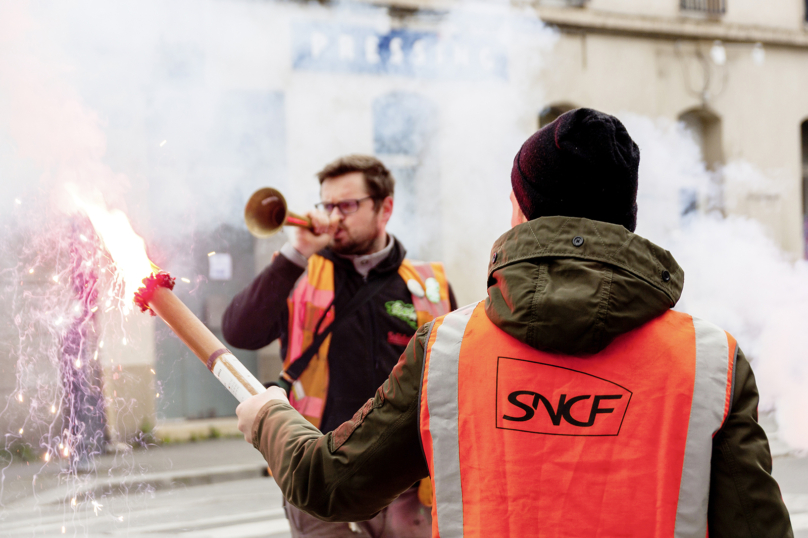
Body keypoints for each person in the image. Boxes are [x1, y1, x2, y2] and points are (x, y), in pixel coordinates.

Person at [235, 109, 793, 537]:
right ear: (627, 216)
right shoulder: (711, 360)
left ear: (523, 210)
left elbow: (330, 484)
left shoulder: (449, 347)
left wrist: (268, 415)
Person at [223, 154, 456, 538]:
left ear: (385, 208)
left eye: (347, 205)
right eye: (327, 204)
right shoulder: (301, 271)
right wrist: (296, 252)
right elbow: (240, 331)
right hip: (319, 475)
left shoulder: (429, 283)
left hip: (408, 486)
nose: (333, 216)